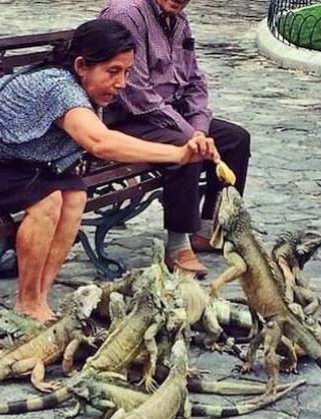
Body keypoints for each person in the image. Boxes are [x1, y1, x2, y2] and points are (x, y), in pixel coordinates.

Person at [0, 19, 217, 321]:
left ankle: (40, 299)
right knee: (46, 201)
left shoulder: (79, 86)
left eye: (127, 72)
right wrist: (179, 154)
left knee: (74, 196)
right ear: (81, 66)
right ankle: (27, 303)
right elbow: (100, 142)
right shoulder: (58, 88)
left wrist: (181, 151)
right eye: (113, 71)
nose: (122, 83)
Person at [99, 0, 251, 277]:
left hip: (167, 115)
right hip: (125, 118)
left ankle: (208, 229)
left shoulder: (178, 20)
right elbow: (135, 92)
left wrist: (199, 129)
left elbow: (195, 82)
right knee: (185, 146)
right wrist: (191, 135)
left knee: (235, 139)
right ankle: (178, 246)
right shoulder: (127, 14)